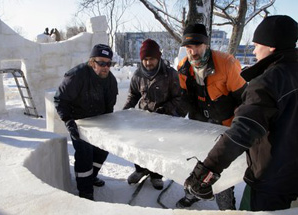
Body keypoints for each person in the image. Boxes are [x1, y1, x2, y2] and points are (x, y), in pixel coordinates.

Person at [183, 15, 298, 212]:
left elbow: (243, 129)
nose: (253, 50)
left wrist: (206, 172)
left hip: (271, 181)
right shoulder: (184, 67)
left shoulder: (264, 82)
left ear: (271, 46)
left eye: (256, 45)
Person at [175, 24, 247, 210]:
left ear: (206, 44)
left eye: (197, 45)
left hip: (224, 125)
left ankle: (226, 207)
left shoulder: (227, 64)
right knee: (193, 161)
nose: (192, 51)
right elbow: (184, 98)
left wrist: (236, 130)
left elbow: (244, 100)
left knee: (219, 168)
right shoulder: (183, 67)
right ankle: (192, 194)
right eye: (188, 47)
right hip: (198, 123)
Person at [54, 44, 118, 200]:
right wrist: (69, 121)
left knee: (102, 151)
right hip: (79, 123)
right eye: (101, 63)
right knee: (85, 155)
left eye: (108, 63)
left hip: (100, 123)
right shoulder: (76, 76)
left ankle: (92, 176)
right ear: (92, 62)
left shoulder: (111, 81)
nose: (105, 67)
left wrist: (109, 124)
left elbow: (109, 106)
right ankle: (85, 191)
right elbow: (60, 99)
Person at [123, 39, 186, 190]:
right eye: (145, 59)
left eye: (151, 59)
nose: (148, 62)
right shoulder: (138, 75)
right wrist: (124, 112)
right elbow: (133, 95)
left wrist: (165, 109)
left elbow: (180, 97)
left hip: (165, 118)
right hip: (144, 118)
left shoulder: (170, 74)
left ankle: (156, 175)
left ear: (158, 58)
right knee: (139, 145)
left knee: (160, 148)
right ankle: (140, 170)